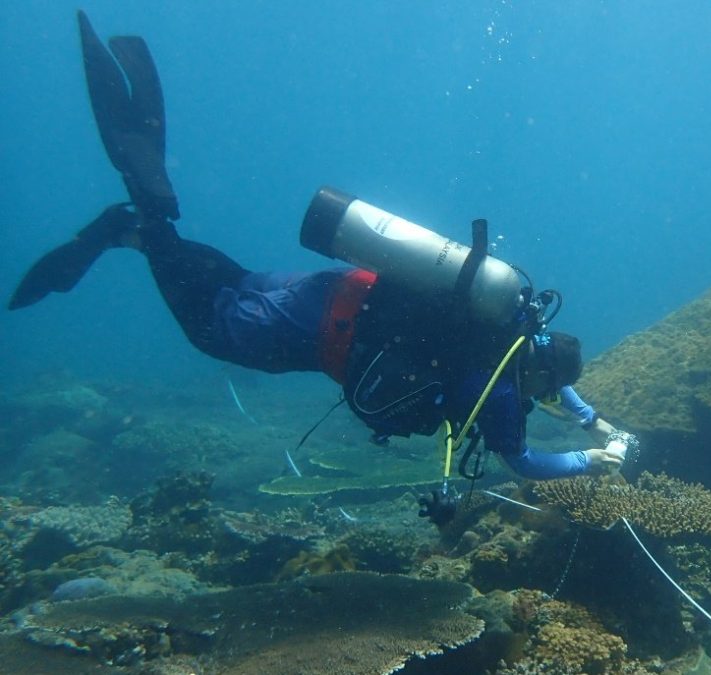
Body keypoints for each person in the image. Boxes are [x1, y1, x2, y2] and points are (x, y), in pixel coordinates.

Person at [9, 12, 633, 516]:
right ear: (538, 371)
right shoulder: (497, 389)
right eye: (550, 390)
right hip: (324, 331)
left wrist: (594, 419)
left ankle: (150, 233)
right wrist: (590, 460)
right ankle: (145, 224)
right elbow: (522, 464)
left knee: (240, 286)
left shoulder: (514, 327)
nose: (549, 396)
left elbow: (556, 380)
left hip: (338, 289)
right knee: (212, 331)